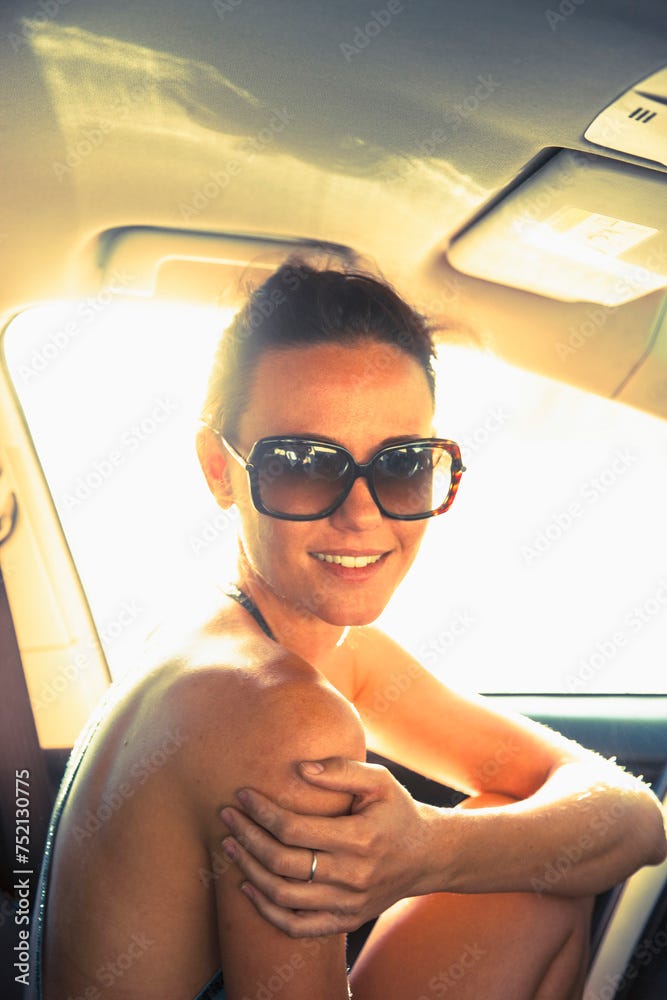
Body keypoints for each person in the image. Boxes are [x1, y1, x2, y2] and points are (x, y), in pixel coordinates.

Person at [31, 260, 666, 1000]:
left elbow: (633, 821)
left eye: (400, 466)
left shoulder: (258, 636)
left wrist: (427, 850)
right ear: (217, 470)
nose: (361, 513)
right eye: (303, 463)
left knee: (521, 864)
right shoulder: (277, 713)